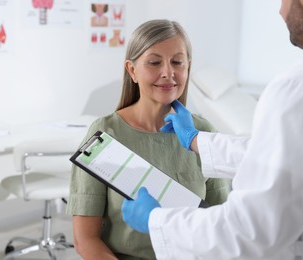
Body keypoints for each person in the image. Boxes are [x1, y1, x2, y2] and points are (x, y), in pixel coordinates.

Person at [121, 0, 303, 259]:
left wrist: (157, 220)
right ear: (132, 70)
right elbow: (293, 157)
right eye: (154, 62)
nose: (280, 11)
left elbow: (250, 232)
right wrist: (196, 141)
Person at [66, 19, 231, 260]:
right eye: (154, 62)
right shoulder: (105, 135)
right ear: (132, 70)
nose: (168, 73)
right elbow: (85, 240)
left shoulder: (203, 135)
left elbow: (220, 226)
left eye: (177, 62)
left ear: (188, 67)